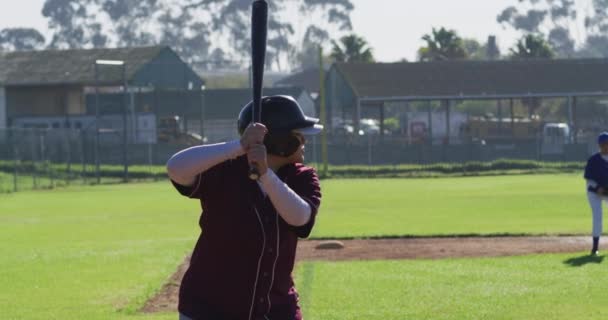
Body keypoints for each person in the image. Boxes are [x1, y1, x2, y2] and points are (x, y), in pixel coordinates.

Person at [166, 95, 323, 320]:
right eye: (298, 135)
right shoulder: (225, 168)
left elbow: (300, 218)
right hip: (209, 309)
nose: (305, 142)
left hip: (275, 309)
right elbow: (176, 168)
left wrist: (265, 175)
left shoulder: (303, 177)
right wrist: (239, 146)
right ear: (280, 141)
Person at [584, 132, 608, 256]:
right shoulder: (593, 160)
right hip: (594, 192)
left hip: (607, 192)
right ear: (599, 145)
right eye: (604, 144)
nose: (606, 146)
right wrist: (598, 187)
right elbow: (588, 179)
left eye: (607, 143)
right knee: (598, 217)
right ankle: (595, 247)